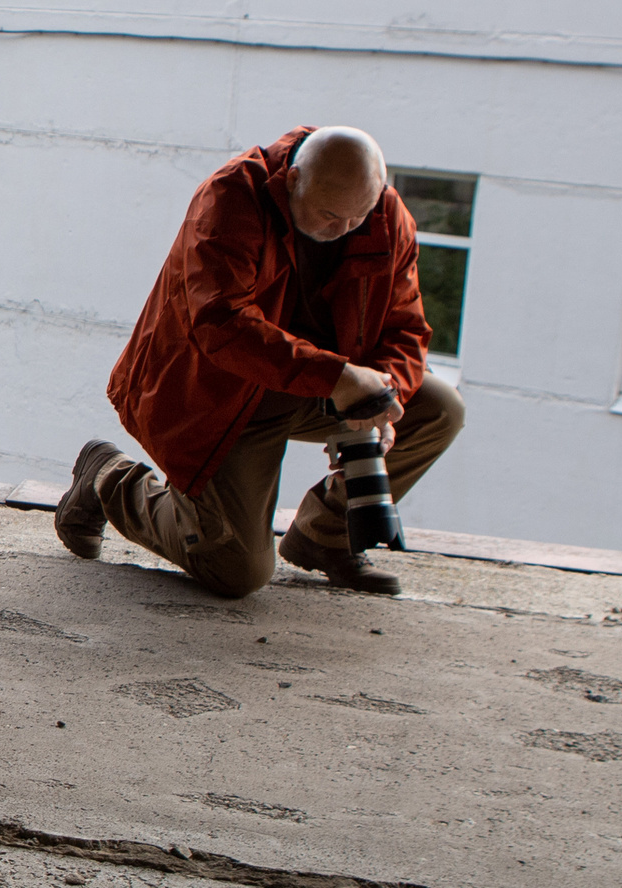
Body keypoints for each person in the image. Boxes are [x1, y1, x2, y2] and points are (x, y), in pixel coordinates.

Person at [52, 125, 463, 599]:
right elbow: (222, 324)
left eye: (359, 216)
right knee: (235, 571)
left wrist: (383, 400)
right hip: (221, 390)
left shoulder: (386, 214)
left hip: (321, 383)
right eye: (331, 215)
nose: (345, 230)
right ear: (292, 182)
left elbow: (406, 329)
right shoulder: (230, 197)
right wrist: (339, 377)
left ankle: (323, 539)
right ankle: (108, 478)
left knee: (441, 409)